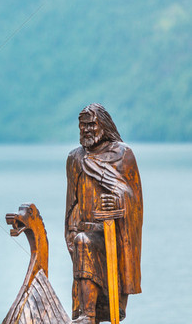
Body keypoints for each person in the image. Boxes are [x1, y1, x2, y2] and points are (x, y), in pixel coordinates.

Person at [65, 103, 143, 324]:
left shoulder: (122, 154)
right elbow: (72, 203)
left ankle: (88, 315)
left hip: (112, 236)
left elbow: (134, 198)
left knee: (83, 242)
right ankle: (86, 314)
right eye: (83, 126)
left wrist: (119, 199)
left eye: (91, 124)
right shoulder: (75, 159)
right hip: (84, 232)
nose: (86, 130)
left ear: (103, 124)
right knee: (80, 241)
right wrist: (70, 232)